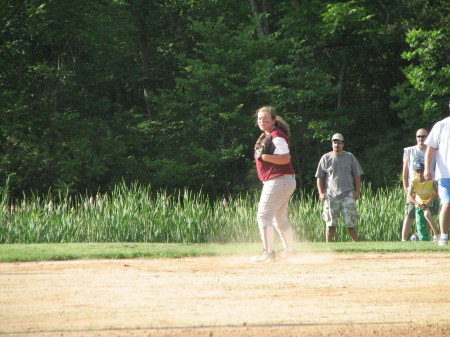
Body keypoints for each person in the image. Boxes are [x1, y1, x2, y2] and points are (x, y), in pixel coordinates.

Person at [251, 106, 296, 262]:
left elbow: (285, 158)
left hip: (278, 180)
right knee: (279, 219)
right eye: (259, 119)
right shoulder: (269, 135)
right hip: (284, 180)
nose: (261, 122)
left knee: (264, 216)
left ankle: (268, 252)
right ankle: (290, 251)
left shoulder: (277, 136)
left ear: (274, 121)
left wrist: (264, 157)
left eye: (265, 119)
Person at [315, 133, 364, 242]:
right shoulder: (326, 158)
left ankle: (357, 245)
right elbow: (320, 177)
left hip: (348, 195)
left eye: (339, 143)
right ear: (332, 144)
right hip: (331, 196)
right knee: (330, 224)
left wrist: (357, 191)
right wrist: (321, 193)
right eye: (334, 143)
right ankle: (328, 246)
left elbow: (357, 175)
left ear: (343, 144)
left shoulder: (350, 157)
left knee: (350, 224)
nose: (336, 145)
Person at [401, 129, 439, 241]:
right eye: (419, 136)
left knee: (428, 214)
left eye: (423, 136)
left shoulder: (433, 151)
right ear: (416, 137)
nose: (421, 139)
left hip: (429, 188)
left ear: (427, 137)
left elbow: (437, 169)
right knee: (410, 213)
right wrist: (405, 187)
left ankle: (425, 237)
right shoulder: (409, 151)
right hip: (414, 188)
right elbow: (405, 171)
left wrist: (436, 188)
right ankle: (403, 239)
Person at [424, 112, 450, 246]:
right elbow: (431, 148)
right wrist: (427, 168)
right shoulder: (441, 125)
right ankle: (444, 237)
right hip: (445, 174)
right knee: (447, 204)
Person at [407, 158, 440, 241]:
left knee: (427, 215)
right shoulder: (414, 181)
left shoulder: (430, 181)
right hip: (419, 202)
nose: (420, 174)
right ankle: (423, 239)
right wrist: (417, 204)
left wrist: (430, 200)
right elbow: (410, 195)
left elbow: (437, 192)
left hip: (430, 201)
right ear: (415, 173)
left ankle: (436, 234)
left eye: (421, 171)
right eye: (417, 172)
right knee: (420, 222)